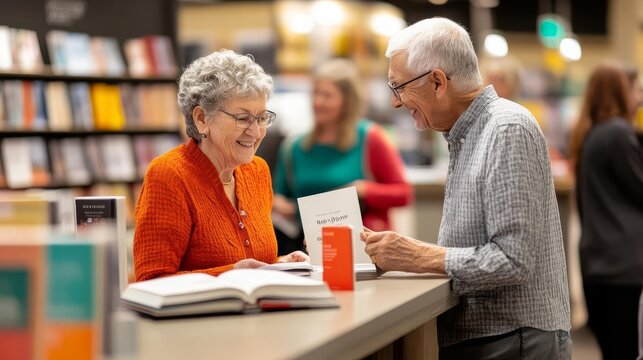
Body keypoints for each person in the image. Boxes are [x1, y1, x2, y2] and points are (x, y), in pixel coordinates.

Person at [361, 17, 571, 358]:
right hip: (496, 338)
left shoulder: (505, 129)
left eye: (398, 87)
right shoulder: (467, 134)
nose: (396, 102)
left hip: (512, 341)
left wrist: (418, 256)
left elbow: (512, 260)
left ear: (438, 82)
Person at [134, 50, 308, 281]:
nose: (256, 132)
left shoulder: (257, 170)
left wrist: (280, 264)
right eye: (243, 118)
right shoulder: (168, 175)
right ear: (202, 119)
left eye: (262, 118)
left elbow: (250, 263)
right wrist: (231, 273)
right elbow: (151, 280)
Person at [272, 58, 413, 255]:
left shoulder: (370, 138)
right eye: (315, 93)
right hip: (307, 250)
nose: (317, 102)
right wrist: (281, 205)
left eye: (327, 95)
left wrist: (364, 190)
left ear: (347, 100)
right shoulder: (294, 146)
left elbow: (403, 194)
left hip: (364, 250)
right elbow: (280, 195)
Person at [569, 62, 643, 360]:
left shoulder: (589, 134)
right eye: (635, 90)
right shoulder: (617, 133)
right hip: (624, 266)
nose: (639, 98)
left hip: (597, 263)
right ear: (620, 92)